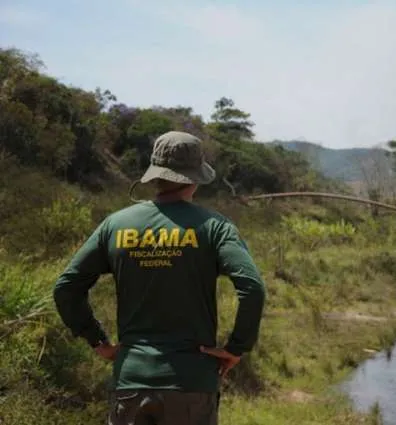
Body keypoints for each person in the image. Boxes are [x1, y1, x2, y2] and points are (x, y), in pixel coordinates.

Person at [53, 130, 266, 425]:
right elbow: (252, 288)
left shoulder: (115, 225)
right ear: (195, 178)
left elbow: (66, 288)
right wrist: (236, 348)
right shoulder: (216, 227)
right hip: (191, 384)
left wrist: (98, 341)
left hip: (131, 380)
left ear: (155, 176)